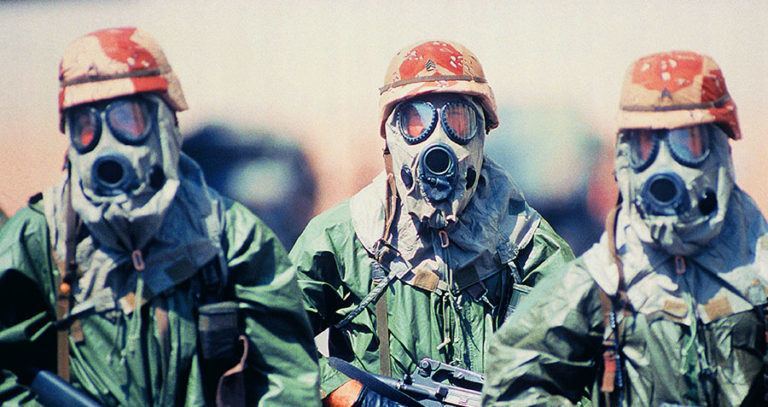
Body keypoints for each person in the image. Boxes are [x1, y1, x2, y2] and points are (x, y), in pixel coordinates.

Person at [0, 27, 321, 406]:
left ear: (163, 124)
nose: (106, 143)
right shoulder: (39, 236)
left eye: (126, 119)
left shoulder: (231, 235)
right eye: (86, 125)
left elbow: (288, 383)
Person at [290, 39, 574, 405]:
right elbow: (266, 335)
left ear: (481, 133)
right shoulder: (344, 239)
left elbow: (582, 373)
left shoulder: (529, 249)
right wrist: (349, 395)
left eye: (458, 120)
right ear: (391, 136)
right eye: (416, 122)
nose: (437, 141)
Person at [483, 51, 767, 406]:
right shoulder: (604, 278)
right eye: (646, 145)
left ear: (719, 149)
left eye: (687, 142)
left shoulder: (759, 271)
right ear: (624, 155)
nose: (664, 165)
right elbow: (514, 378)